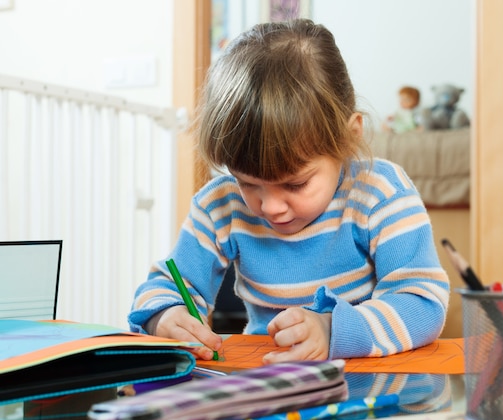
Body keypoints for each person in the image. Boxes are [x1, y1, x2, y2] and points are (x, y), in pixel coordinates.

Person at [129, 19, 449, 364]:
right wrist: (164, 315)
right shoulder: (220, 205)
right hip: (266, 382)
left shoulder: (380, 192)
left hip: (366, 381)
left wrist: (332, 331)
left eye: (295, 184)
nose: (271, 207)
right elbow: (164, 288)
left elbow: (422, 303)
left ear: (349, 138)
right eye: (248, 182)